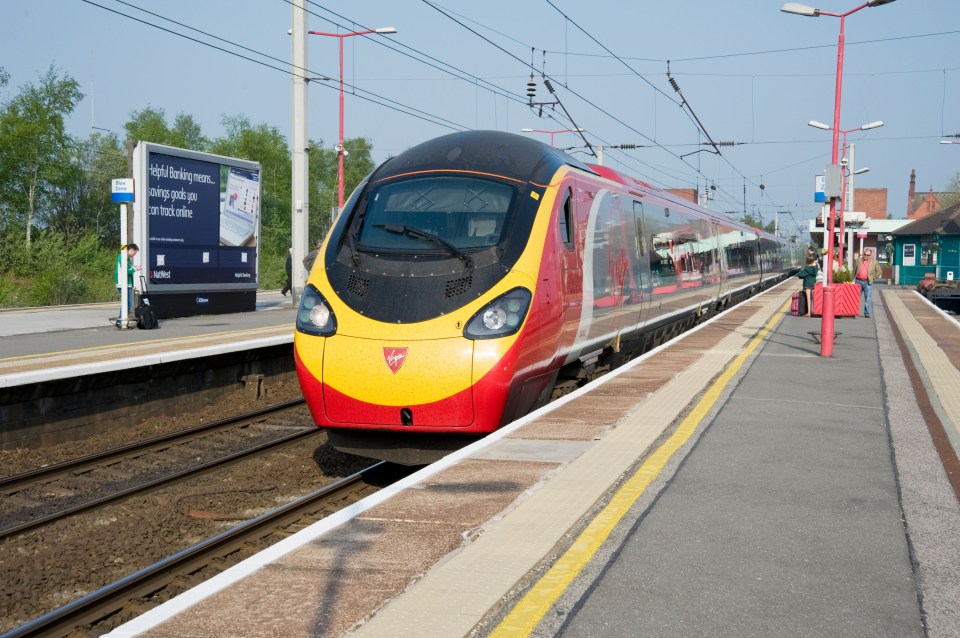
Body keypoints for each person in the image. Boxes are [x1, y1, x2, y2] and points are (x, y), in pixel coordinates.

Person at [852, 248, 882, 318]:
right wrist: (852, 279)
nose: (865, 256)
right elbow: (854, 270)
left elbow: (879, 271)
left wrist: (873, 278)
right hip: (858, 281)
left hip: (867, 282)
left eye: (867, 255)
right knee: (856, 297)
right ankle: (854, 312)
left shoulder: (874, 262)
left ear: (870, 255)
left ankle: (867, 313)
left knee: (868, 298)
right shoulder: (858, 261)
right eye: (864, 254)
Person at [114, 243, 141, 318]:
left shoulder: (126, 258)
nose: (134, 255)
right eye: (134, 253)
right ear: (131, 250)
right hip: (124, 283)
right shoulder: (123, 257)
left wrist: (133, 267)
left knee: (126, 303)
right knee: (129, 304)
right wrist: (135, 269)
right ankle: (122, 319)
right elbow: (126, 271)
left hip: (126, 283)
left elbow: (127, 268)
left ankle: (122, 319)